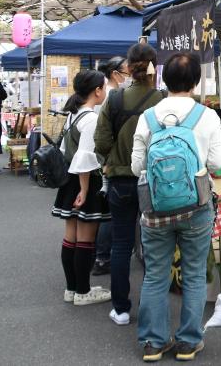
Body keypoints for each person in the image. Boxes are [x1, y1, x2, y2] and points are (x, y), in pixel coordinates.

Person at [132, 52, 221, 362]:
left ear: (164, 80)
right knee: (194, 274)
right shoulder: (207, 116)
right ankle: (188, 342)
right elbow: (216, 162)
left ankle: (153, 343)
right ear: (196, 81)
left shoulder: (148, 117)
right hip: (196, 206)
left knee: (155, 275)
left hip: (155, 209)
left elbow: (136, 167)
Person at [94, 44, 164, 326]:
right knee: (153, 246)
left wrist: (112, 159)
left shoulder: (115, 99)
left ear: (129, 68)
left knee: (121, 245)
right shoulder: (162, 100)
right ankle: (152, 309)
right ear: (154, 66)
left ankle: (121, 309)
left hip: (120, 179)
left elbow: (101, 141)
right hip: (155, 181)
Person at [51, 69, 111, 306]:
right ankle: (83, 292)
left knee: (71, 237)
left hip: (69, 180)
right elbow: (85, 158)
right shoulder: (92, 119)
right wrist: (85, 190)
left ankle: (72, 289)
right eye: (104, 87)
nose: (105, 91)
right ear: (96, 91)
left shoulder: (73, 115)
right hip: (84, 182)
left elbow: (67, 152)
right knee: (85, 239)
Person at [92, 56, 129, 277]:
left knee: (110, 212)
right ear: (115, 74)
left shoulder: (114, 95)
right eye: (127, 71)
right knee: (109, 214)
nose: (130, 75)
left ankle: (102, 255)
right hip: (109, 163)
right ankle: (102, 257)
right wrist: (107, 160)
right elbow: (103, 136)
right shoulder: (111, 97)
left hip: (108, 161)